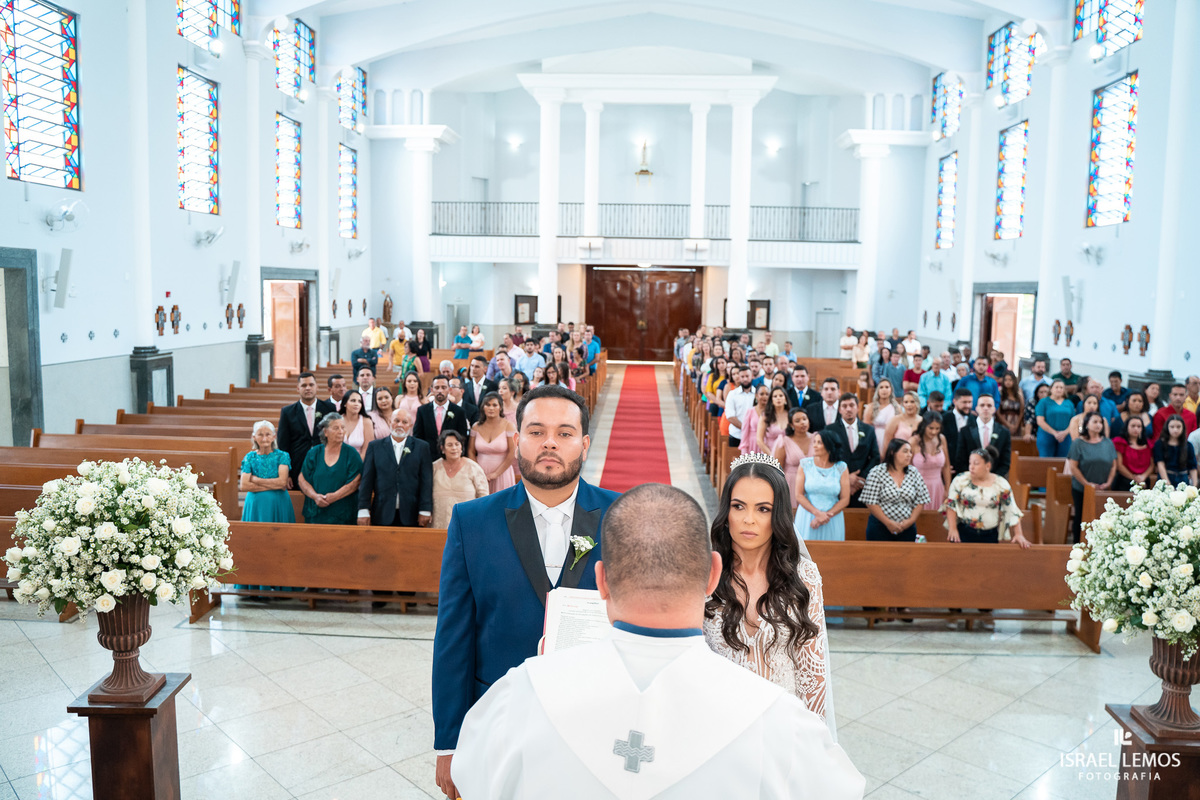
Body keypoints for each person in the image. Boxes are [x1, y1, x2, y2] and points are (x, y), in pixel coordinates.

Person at [451, 483, 863, 800]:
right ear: (712, 576)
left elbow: (472, 777)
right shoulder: (777, 721)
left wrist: (551, 673)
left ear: (601, 581)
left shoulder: (521, 696)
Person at [434, 387, 622, 798]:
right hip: (500, 719)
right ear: (517, 440)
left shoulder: (621, 516)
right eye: (536, 431)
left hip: (598, 721)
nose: (550, 442)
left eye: (565, 433)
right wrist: (449, 741)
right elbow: (453, 637)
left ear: (585, 444)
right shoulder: (472, 521)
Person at [705, 458, 838, 737]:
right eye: (738, 506)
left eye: (763, 509)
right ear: (726, 511)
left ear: (777, 516)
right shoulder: (706, 575)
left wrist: (813, 745)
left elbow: (813, 676)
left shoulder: (803, 577)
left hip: (783, 730)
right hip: (722, 730)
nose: (748, 519)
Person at [356, 407, 433, 527]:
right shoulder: (375, 447)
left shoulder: (422, 447)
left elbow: (426, 481)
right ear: (390, 423)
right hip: (382, 512)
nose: (399, 425)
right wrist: (363, 510)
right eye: (396, 421)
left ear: (411, 425)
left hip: (411, 513)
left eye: (404, 422)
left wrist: (425, 509)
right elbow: (367, 480)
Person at [944, 447, 1031, 548]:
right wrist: (952, 529)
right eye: (970, 463)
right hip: (964, 532)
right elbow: (951, 505)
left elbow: (1011, 508)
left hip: (990, 534)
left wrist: (1018, 534)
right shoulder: (960, 480)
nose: (971, 467)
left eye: (976, 464)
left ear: (987, 466)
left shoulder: (1000, 483)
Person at [298, 413, 363, 525]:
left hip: (343, 514)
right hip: (315, 513)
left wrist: (334, 497)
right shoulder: (314, 453)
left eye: (343, 427)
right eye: (336, 428)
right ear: (325, 432)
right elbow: (302, 479)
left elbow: (355, 481)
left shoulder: (352, 454)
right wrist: (315, 496)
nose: (341, 431)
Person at [860, 438, 931, 541]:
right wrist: (888, 523)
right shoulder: (877, 472)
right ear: (893, 452)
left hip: (907, 528)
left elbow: (921, 500)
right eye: (905, 451)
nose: (909, 455)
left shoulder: (913, 472)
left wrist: (910, 521)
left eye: (911, 452)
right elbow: (870, 501)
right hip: (880, 526)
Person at [276, 372, 336, 488]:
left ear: (317, 387)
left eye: (311, 385)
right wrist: (286, 473)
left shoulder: (329, 408)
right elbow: (283, 445)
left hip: (325, 463)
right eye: (304, 386)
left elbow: (335, 437)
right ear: (298, 389)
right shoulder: (287, 412)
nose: (308, 388)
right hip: (297, 465)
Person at [793, 430, 850, 541]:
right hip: (808, 516)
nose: (815, 445)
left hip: (832, 518)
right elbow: (799, 495)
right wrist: (817, 514)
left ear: (829, 445)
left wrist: (826, 516)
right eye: (814, 442)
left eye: (819, 442)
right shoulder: (805, 464)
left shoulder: (841, 467)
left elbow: (845, 499)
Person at [240, 421, 295, 524]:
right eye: (260, 434)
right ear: (254, 437)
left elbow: (282, 482)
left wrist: (256, 480)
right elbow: (244, 486)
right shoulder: (249, 457)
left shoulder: (282, 456)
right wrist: (274, 485)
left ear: (274, 436)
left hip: (278, 503)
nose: (264, 438)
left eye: (268, 434)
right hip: (255, 504)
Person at [431, 430, 489, 529]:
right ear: (442, 448)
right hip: (439, 524)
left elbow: (484, 497)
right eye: (449, 445)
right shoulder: (434, 467)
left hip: (467, 522)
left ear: (461, 447)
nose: (454, 448)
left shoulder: (473, 467)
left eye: (457, 444)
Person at [830, 393, 879, 507]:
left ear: (858, 408)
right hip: (837, 486)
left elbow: (875, 456)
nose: (848, 409)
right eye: (844, 406)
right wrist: (846, 478)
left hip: (862, 486)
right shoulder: (830, 430)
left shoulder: (869, 430)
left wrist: (860, 478)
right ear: (840, 409)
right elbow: (827, 458)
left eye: (851, 405)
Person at [469, 391, 518, 493]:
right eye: (488, 405)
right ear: (483, 407)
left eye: (494, 405)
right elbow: (470, 451)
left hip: (502, 473)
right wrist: (478, 472)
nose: (491, 408)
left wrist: (496, 474)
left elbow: (512, 452)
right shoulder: (476, 426)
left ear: (500, 407)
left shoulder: (508, 425)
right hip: (480, 472)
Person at [953, 394, 1012, 478]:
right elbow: (960, 459)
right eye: (982, 405)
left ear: (994, 409)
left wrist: (991, 478)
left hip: (994, 479)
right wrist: (973, 476)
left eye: (989, 405)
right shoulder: (965, 431)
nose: (985, 408)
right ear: (976, 408)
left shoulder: (1004, 432)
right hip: (971, 478)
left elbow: (1005, 462)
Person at [413, 375, 471, 455]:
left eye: (443, 387)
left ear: (449, 389)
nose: (440, 391)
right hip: (427, 455)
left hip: (451, 456)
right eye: (437, 388)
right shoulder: (422, 411)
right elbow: (417, 436)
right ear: (432, 390)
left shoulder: (459, 411)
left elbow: (462, 437)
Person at [775, 407, 815, 511]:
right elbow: (778, 469)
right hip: (792, 482)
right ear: (791, 425)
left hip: (813, 481)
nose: (802, 423)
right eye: (797, 421)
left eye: (804, 419)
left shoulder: (816, 438)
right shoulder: (785, 441)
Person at [911, 412, 951, 511]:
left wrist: (947, 488)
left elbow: (946, 466)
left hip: (938, 487)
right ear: (924, 426)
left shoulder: (942, 439)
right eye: (931, 428)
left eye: (937, 429)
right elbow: (905, 468)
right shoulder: (913, 441)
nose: (934, 432)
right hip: (917, 488)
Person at [1154, 415, 1198, 487]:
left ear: (1183, 428)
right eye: (1172, 427)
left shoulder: (1188, 445)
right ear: (1167, 427)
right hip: (1166, 478)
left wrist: (1194, 485)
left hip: (1183, 479)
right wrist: (1168, 484)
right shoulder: (1160, 444)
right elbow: (1160, 465)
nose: (1175, 430)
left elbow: (1193, 467)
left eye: (1178, 427)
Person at [1114, 416, 1155, 491]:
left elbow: (1152, 465)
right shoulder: (1120, 442)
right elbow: (1119, 465)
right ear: (1127, 427)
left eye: (1139, 426)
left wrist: (1143, 477)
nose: (1136, 429)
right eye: (1133, 426)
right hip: (1124, 481)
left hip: (1144, 480)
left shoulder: (1148, 444)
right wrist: (1134, 478)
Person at [1035, 379, 1074, 457]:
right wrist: (1054, 433)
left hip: (1065, 436)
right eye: (1056, 387)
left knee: (1063, 461)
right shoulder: (1043, 402)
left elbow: (1073, 421)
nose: (1059, 389)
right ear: (1051, 389)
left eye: (1061, 387)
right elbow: (1040, 421)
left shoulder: (1069, 403)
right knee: (1046, 460)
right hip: (1047, 435)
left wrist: (1065, 432)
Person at [941, 387, 976, 468]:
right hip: (949, 466)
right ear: (955, 401)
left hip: (970, 467)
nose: (968, 405)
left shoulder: (975, 420)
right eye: (964, 402)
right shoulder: (944, 419)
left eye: (970, 402)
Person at [864, 381, 901, 455]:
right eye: (881, 387)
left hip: (892, 439)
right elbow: (866, 428)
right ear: (877, 390)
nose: (884, 390)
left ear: (891, 390)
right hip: (875, 438)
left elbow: (900, 426)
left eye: (887, 387)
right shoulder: (870, 407)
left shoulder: (897, 407)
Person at [724, 365, 757, 448]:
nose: (745, 379)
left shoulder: (758, 394)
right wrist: (746, 428)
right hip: (736, 435)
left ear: (752, 376)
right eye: (742, 376)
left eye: (747, 376)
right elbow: (730, 416)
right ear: (739, 377)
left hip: (755, 436)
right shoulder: (732, 394)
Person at [338, 389, 375, 460]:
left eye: (359, 401)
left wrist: (356, 466)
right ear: (345, 403)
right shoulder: (337, 420)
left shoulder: (366, 422)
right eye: (353, 400)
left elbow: (366, 450)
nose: (356, 404)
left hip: (358, 463)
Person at [755, 387, 790, 455]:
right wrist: (772, 455)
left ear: (785, 399)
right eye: (775, 396)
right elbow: (759, 440)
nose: (778, 398)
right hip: (769, 454)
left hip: (788, 454)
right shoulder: (765, 416)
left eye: (781, 395)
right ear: (771, 400)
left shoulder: (790, 415)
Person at [739, 385, 771, 455]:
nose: (765, 396)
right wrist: (744, 452)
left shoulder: (772, 413)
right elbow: (744, 433)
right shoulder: (750, 412)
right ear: (756, 395)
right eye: (762, 394)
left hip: (767, 446)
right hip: (752, 445)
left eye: (767, 394)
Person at [997, 371, 1025, 437]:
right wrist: (1008, 425)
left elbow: (1022, 411)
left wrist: (1016, 425)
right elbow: (998, 412)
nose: (1008, 382)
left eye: (1010, 380)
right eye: (1006, 380)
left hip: (1016, 422)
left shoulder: (1018, 393)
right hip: (1003, 422)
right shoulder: (1000, 392)